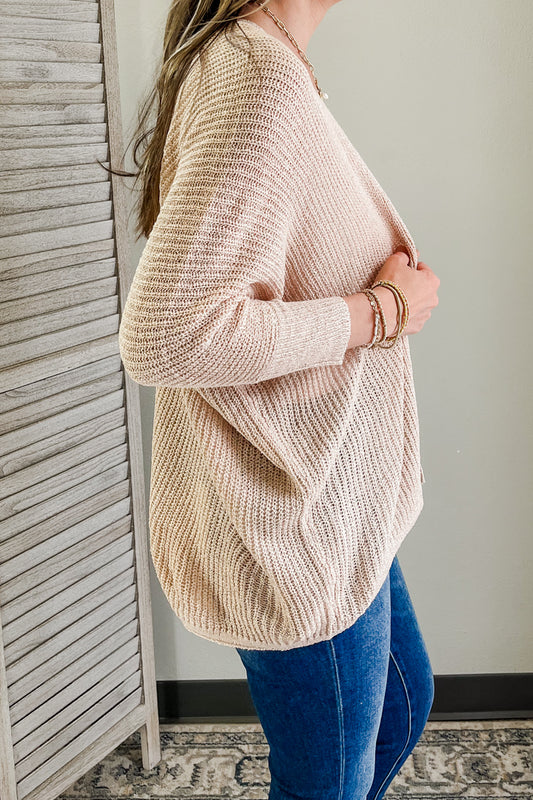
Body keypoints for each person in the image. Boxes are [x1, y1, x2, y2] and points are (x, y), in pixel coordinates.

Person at [116, 0, 440, 797]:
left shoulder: (264, 62)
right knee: (324, 782)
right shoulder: (254, 79)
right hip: (288, 519)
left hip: (331, 498)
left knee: (398, 712)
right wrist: (379, 313)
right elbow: (165, 335)